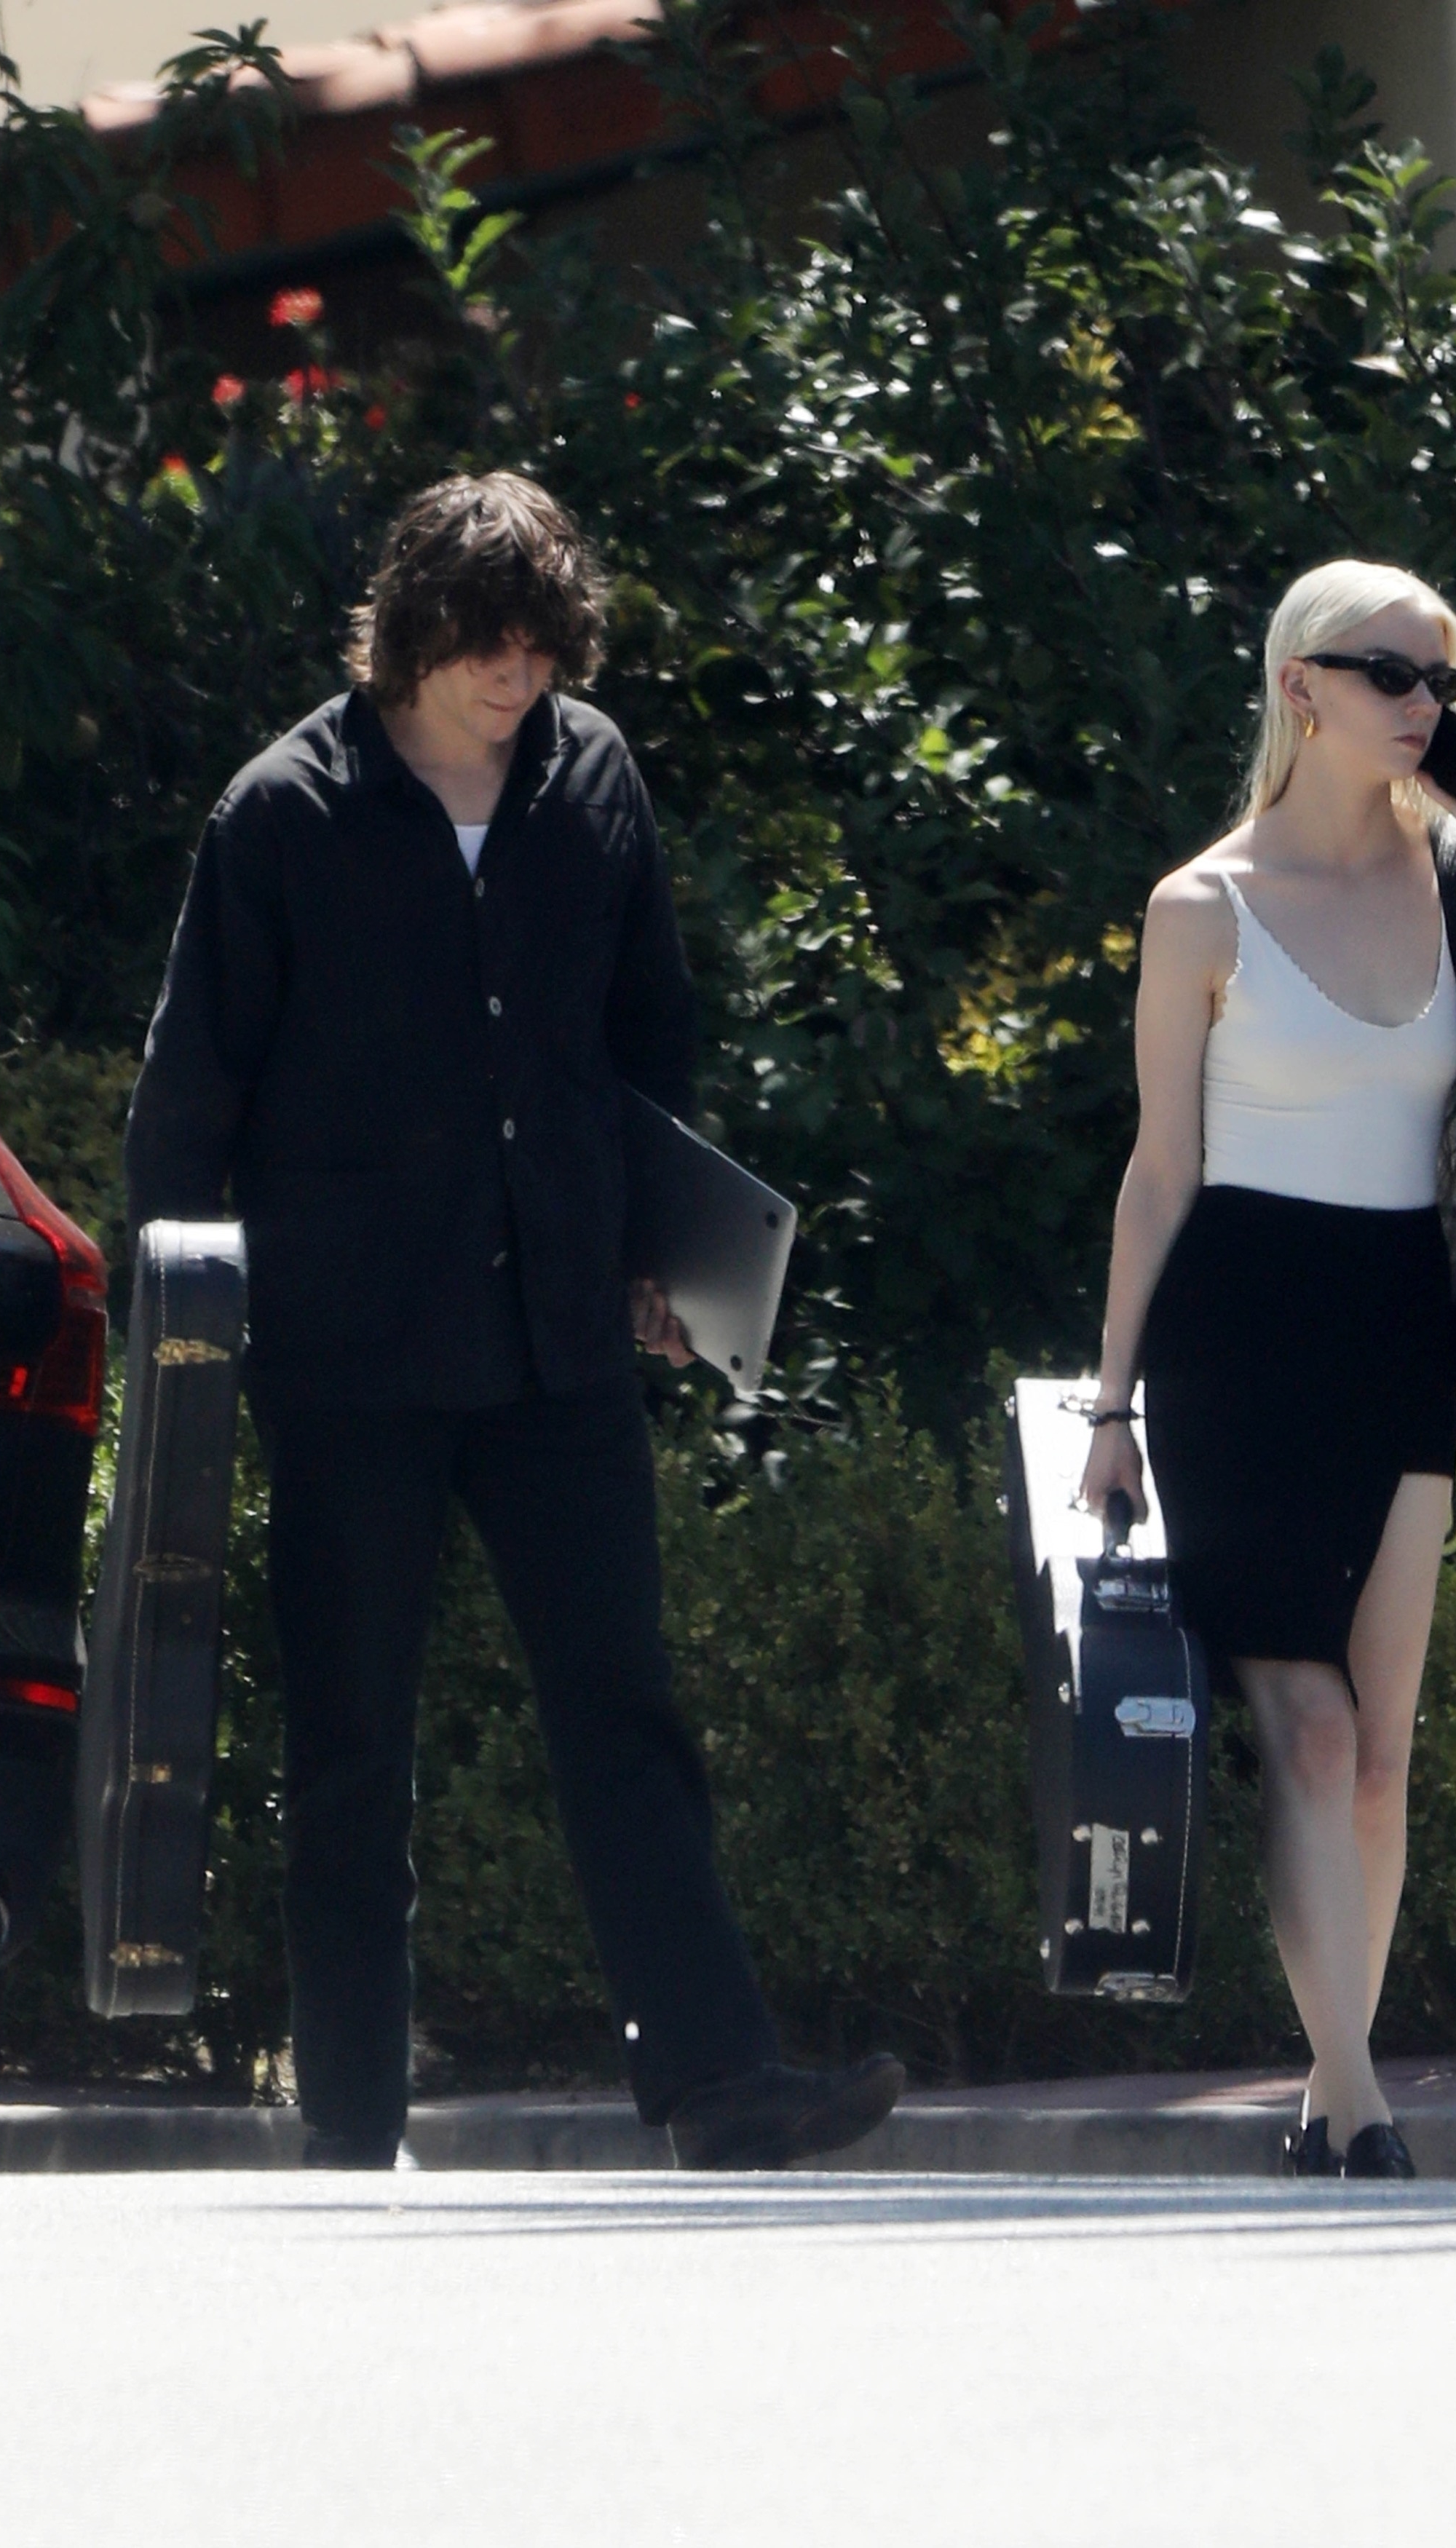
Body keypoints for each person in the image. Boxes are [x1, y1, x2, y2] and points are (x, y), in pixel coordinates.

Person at [124, 470, 904, 2169]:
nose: (520, 677)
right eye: (489, 643)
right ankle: (349, 2128)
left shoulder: (594, 772)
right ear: (411, 626)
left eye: (546, 645)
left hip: (557, 1337)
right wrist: (181, 1361)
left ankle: (715, 2085)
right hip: (349, 1356)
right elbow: (185, 1109)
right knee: (349, 1752)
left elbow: (647, 1041)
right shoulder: (281, 816)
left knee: (624, 1707)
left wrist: (667, 1261)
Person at [1080, 559, 1456, 2178]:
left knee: (1378, 1749)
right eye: (1386, 671)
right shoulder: (1199, 907)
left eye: (1438, 677)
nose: (1422, 703)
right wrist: (1108, 1407)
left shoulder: (1454, 879)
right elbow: (1159, 1171)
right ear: (1303, 686)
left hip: (1392, 1327)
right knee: (1300, 1727)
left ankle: (1329, 2093)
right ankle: (1360, 2100)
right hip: (1236, 1331)